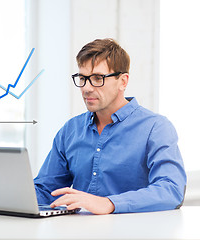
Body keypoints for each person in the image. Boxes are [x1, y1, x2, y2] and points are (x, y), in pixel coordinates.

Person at [34, 38, 187, 214]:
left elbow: (171, 190)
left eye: (98, 78)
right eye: (82, 78)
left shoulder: (156, 128)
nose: (87, 88)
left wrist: (109, 203)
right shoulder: (70, 130)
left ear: (123, 81)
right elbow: (46, 189)